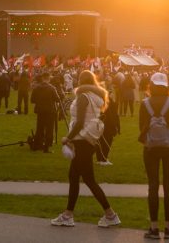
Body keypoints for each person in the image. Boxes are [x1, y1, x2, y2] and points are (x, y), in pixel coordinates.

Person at [50, 70, 121, 229]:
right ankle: (69, 214)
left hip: (81, 140)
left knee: (86, 179)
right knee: (77, 177)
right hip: (88, 141)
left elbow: (80, 122)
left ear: (81, 81)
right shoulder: (97, 97)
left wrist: (68, 138)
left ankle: (109, 214)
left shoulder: (83, 97)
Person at [138, 72, 169, 239]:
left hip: (150, 148)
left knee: (153, 186)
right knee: (168, 186)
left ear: (151, 85)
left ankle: (154, 228)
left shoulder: (144, 103)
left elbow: (141, 125)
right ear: (166, 85)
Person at [31, 73, 59, 152]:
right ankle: (46, 148)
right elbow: (57, 99)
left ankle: (37, 146)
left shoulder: (36, 88)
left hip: (40, 110)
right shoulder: (52, 88)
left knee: (39, 128)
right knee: (49, 129)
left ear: (42, 78)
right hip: (50, 111)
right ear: (48, 78)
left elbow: (32, 100)